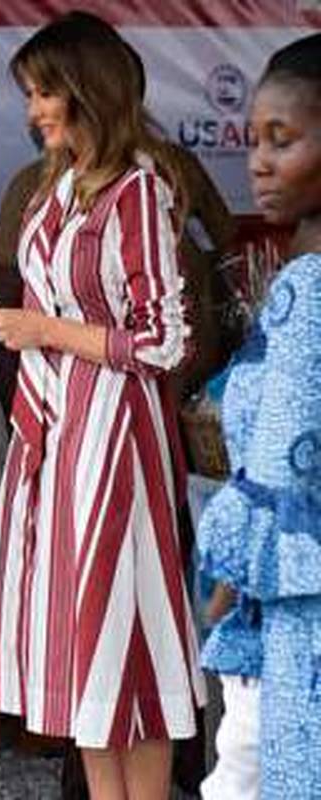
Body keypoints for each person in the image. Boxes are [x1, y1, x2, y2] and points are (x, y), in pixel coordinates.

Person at [0, 16, 238, 797]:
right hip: (60, 436)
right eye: (30, 94)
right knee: (84, 649)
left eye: (44, 92)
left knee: (132, 649)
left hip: (119, 436)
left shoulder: (140, 191)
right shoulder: (54, 189)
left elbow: (163, 340)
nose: (33, 110)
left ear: (87, 90)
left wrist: (45, 331)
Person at [197, 32, 321, 799]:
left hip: (296, 610)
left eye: (284, 139)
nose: (259, 163)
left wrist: (227, 576)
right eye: (254, 140)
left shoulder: (309, 293)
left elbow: (283, 461)